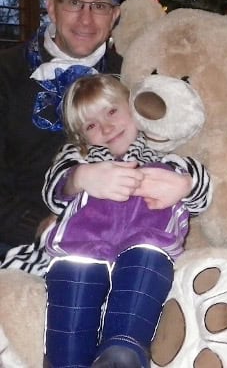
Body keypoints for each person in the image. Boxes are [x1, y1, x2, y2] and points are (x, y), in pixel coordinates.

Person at [42, 73, 211, 368]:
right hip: (82, 252)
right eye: (91, 125)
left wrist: (185, 185)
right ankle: (65, 360)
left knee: (145, 265)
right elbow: (53, 189)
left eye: (111, 111)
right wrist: (81, 177)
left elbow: (202, 191)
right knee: (70, 305)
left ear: (133, 107)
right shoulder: (79, 155)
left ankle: (123, 352)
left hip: (145, 250)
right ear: (81, 137)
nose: (106, 128)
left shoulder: (166, 153)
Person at [0, 0, 123, 259]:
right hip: (18, 245)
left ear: (115, 16)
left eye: (99, 6)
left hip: (114, 240)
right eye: (73, 2)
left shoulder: (132, 77)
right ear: (52, 8)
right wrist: (41, 227)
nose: (86, 18)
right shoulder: (6, 73)